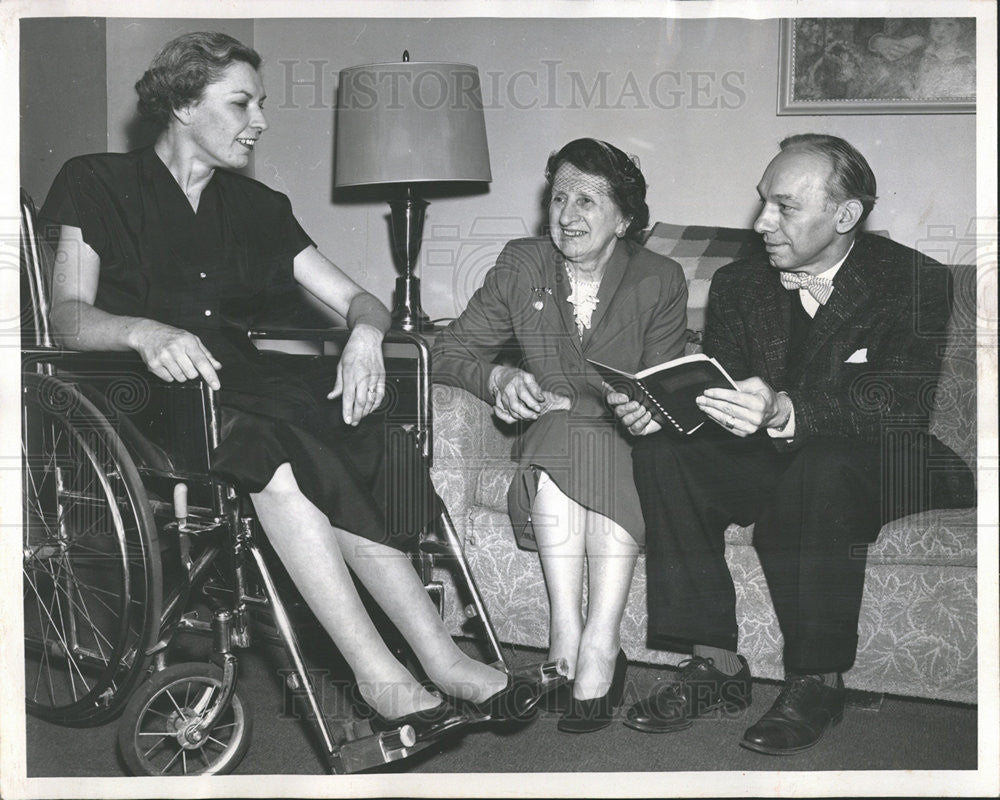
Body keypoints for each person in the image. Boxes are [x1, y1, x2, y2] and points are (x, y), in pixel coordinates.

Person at [41, 31, 542, 732]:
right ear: (184, 105)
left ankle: (442, 657)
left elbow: (358, 300)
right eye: (242, 103)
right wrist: (142, 331)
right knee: (275, 455)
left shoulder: (257, 208)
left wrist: (367, 334)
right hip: (144, 392)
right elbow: (67, 318)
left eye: (262, 103)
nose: (262, 121)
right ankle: (378, 675)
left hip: (243, 384)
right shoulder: (98, 182)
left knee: (351, 435)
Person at [611, 134, 972, 754]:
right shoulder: (738, 283)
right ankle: (714, 668)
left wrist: (786, 407)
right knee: (667, 451)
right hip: (780, 454)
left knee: (824, 466)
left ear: (845, 215)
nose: (761, 223)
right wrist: (664, 411)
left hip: (892, 456)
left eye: (784, 208)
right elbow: (724, 395)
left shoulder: (915, 281)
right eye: (762, 203)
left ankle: (817, 679)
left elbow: (897, 406)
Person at [433, 138, 688, 733]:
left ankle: (594, 643)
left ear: (624, 218)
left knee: (590, 434)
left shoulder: (660, 278)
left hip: (628, 440)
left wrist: (650, 409)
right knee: (563, 429)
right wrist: (495, 376)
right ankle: (570, 638)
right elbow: (449, 351)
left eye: (588, 201)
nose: (567, 215)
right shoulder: (523, 265)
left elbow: (663, 384)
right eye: (559, 198)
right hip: (550, 432)